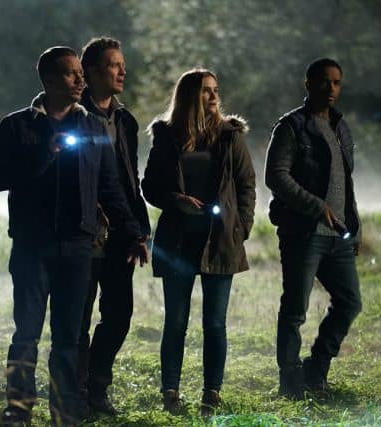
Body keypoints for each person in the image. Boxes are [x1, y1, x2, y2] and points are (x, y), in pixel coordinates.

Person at [0, 46, 148, 427]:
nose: (80, 80)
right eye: (70, 74)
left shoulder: (92, 127)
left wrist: (134, 232)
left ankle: (65, 410)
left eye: (80, 73)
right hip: (32, 245)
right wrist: (44, 154)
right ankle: (19, 407)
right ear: (48, 80)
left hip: (78, 247)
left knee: (68, 337)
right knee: (27, 332)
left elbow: (110, 186)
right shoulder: (18, 126)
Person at [142, 68, 256, 417]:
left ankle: (212, 393)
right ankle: (170, 392)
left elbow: (247, 185)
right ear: (189, 96)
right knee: (175, 321)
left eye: (215, 90)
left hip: (220, 240)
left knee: (215, 323)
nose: (213, 96)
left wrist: (241, 228)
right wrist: (175, 199)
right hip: (178, 241)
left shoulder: (230, 135)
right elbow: (149, 186)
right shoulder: (167, 136)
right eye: (206, 90)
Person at [264, 57, 362, 400]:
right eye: (324, 81)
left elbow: (345, 183)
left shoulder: (340, 126)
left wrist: (354, 226)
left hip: (338, 236)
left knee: (349, 302)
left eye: (336, 82)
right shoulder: (291, 126)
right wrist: (317, 207)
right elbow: (276, 176)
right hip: (303, 232)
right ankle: (290, 383)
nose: (331, 88)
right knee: (295, 310)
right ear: (308, 84)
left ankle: (315, 369)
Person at [76, 36, 151, 415]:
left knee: (119, 314)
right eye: (113, 65)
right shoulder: (73, 116)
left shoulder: (125, 120)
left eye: (122, 64)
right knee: (78, 318)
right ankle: (77, 392)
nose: (122, 71)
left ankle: (97, 386)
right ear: (90, 72)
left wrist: (139, 228)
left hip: (121, 231)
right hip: (84, 232)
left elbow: (129, 179)